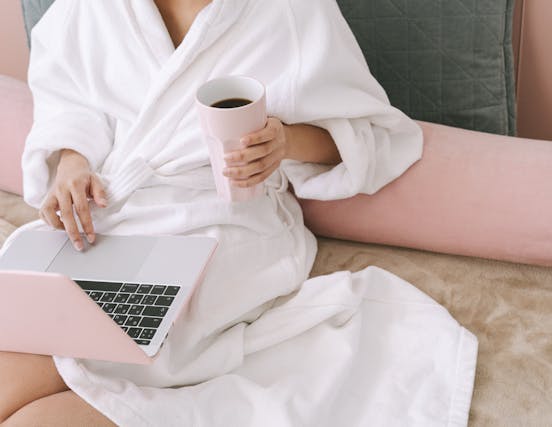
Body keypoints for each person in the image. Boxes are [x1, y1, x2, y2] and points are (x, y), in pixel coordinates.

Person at [0, 0, 478, 425]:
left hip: (226, 226)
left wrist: (285, 141)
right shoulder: (91, 8)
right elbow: (69, 104)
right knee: (22, 352)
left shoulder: (291, 11)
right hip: (112, 217)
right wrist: (72, 163)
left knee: (82, 360)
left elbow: (375, 138)